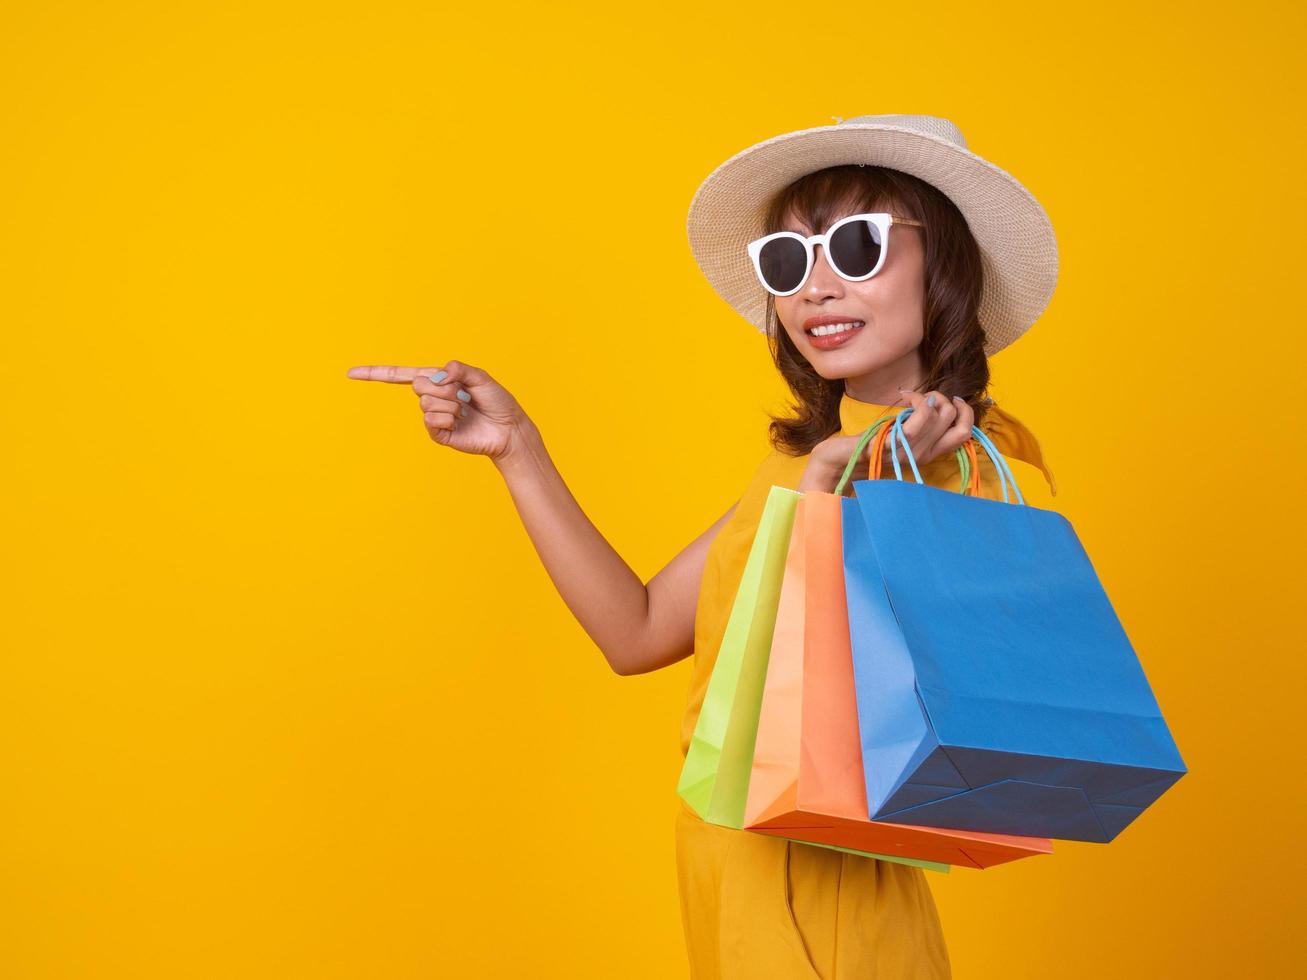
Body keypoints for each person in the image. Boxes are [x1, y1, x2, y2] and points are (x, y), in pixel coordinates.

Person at [346, 113, 1061, 979]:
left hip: (828, 889)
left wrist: (830, 501)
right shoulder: (804, 465)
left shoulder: (971, 465)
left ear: (942, 263)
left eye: (858, 247)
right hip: (725, 870)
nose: (816, 288)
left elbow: (881, 733)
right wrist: (518, 450)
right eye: (789, 261)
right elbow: (637, 632)